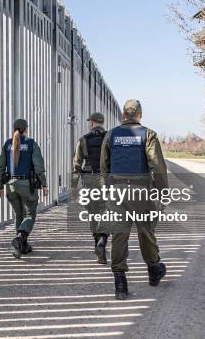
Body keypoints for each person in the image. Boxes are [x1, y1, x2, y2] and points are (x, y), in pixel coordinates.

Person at [100, 99, 168, 300]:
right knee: (146, 231)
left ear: (123, 115)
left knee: (119, 235)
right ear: (140, 115)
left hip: (117, 190)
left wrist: (110, 187)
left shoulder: (111, 135)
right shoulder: (148, 134)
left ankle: (120, 284)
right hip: (142, 190)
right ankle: (154, 270)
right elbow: (158, 167)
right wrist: (162, 194)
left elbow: (104, 165)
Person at [0, 118, 49, 258]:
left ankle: (22, 247)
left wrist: (0, 185)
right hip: (26, 185)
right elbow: (38, 166)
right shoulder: (31, 144)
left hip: (11, 186)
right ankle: (20, 236)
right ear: (26, 129)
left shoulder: (7, 144)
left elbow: (0, 167)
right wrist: (44, 184)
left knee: (19, 215)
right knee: (30, 214)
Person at [72, 112, 108, 264]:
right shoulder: (110, 138)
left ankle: (97, 243)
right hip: (106, 179)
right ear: (103, 123)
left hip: (88, 179)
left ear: (92, 123)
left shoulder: (83, 140)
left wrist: (74, 185)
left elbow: (77, 164)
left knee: (93, 213)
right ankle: (103, 240)